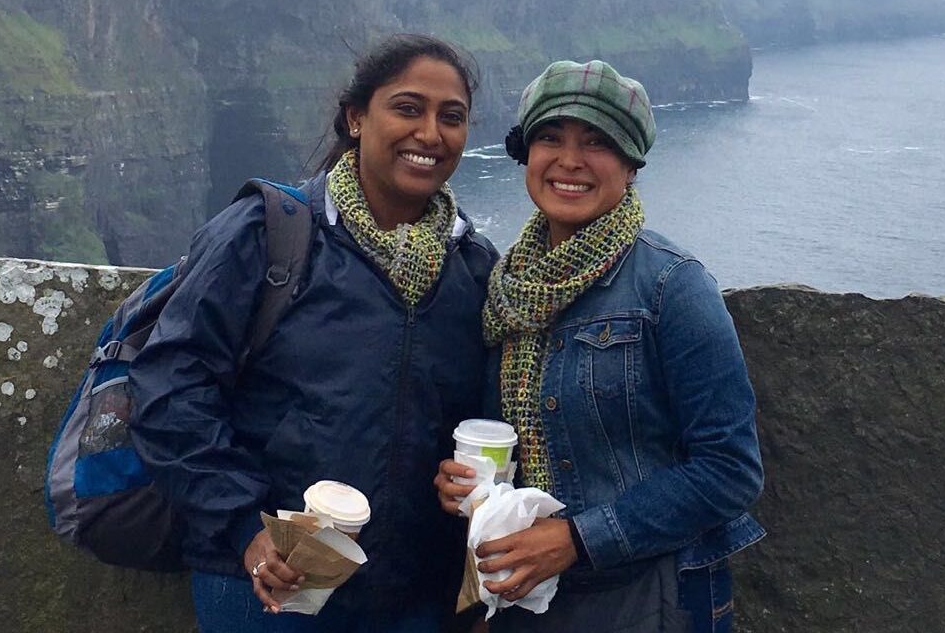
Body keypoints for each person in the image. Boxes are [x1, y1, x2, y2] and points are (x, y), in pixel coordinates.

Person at [129, 34, 497, 633]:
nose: (430, 133)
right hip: (267, 586)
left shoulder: (473, 268)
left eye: (450, 117)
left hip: (413, 596)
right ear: (356, 118)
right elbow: (170, 391)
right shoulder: (267, 234)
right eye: (407, 108)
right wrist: (245, 531)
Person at [435, 60, 765, 632]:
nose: (569, 161)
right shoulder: (508, 285)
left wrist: (575, 540)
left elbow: (730, 470)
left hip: (651, 596)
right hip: (526, 599)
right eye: (549, 138)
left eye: (597, 142)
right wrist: (474, 491)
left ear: (631, 164)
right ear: (525, 153)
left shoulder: (670, 285)